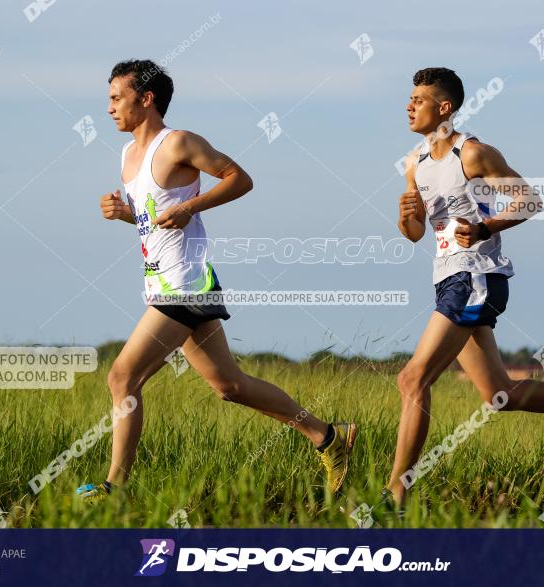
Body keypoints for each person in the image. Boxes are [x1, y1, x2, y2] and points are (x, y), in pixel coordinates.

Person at [76, 59, 356, 505]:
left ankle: (116, 488)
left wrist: (192, 206)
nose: (109, 107)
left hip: (185, 284)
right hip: (165, 284)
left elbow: (240, 179)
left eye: (116, 97)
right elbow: (156, 221)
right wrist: (127, 215)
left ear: (145, 99)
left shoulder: (178, 142)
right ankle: (328, 436)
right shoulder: (128, 156)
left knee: (121, 378)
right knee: (230, 386)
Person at [385, 67, 544, 508]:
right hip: (447, 278)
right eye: (409, 98)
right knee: (499, 395)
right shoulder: (414, 164)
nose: (409, 105)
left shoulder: (474, 154)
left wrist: (484, 227)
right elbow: (414, 233)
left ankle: (395, 495)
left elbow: (528, 199)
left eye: (418, 99)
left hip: (477, 275)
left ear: (444, 108)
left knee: (412, 379)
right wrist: (407, 214)